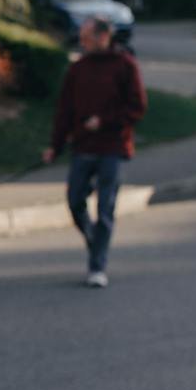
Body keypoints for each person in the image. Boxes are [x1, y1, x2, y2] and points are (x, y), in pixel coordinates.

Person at [41, 15, 147, 288]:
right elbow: (64, 109)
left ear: (103, 37)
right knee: (75, 199)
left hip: (112, 147)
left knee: (105, 207)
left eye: (87, 38)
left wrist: (105, 120)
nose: (82, 42)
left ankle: (97, 265)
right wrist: (56, 144)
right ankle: (94, 239)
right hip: (82, 146)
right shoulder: (79, 69)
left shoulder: (125, 66)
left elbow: (137, 107)